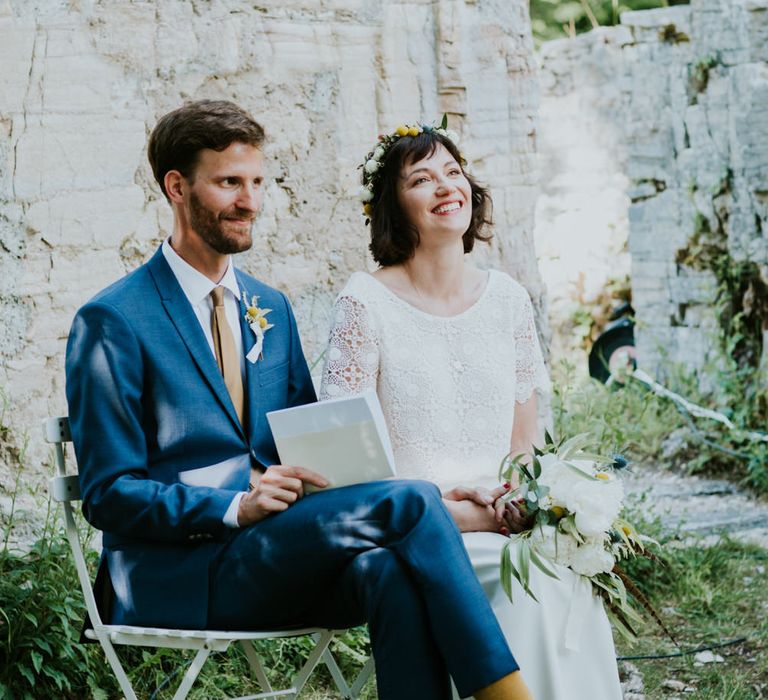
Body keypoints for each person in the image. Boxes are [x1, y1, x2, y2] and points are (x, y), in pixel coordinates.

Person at [64, 100, 535, 700]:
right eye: (229, 182)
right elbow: (108, 495)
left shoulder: (271, 308)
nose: (250, 200)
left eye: (257, 182)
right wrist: (238, 508)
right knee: (411, 504)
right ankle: (509, 694)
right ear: (176, 187)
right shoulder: (112, 321)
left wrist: (416, 493)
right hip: (186, 575)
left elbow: (326, 458)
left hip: (283, 554)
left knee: (389, 570)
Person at [320, 121, 624, 699]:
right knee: (528, 589)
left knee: (562, 579)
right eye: (421, 178)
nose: (445, 187)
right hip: (418, 528)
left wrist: (517, 501)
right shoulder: (364, 304)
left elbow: (524, 446)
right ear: (393, 205)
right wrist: (453, 513)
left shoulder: (507, 298)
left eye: (453, 172)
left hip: (504, 522)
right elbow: (349, 467)